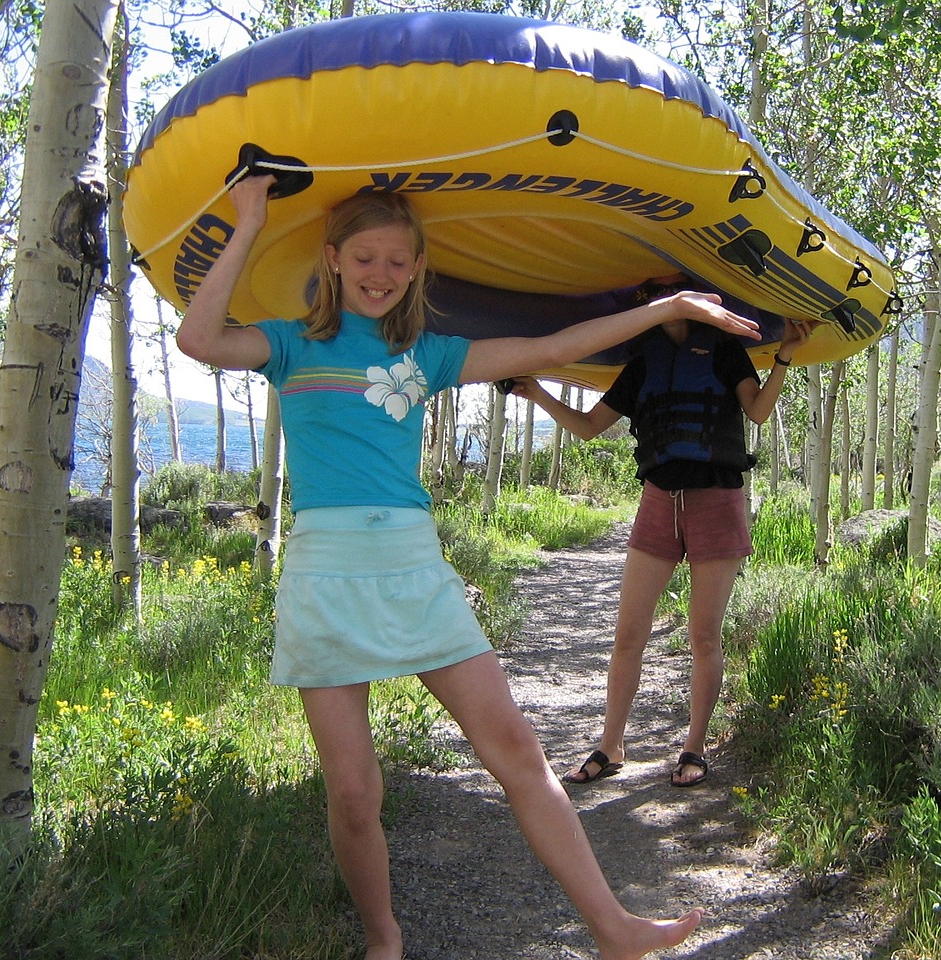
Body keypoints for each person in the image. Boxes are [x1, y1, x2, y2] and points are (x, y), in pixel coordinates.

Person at [176, 173, 763, 960]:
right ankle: (385, 942)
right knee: (354, 794)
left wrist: (669, 309)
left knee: (518, 752)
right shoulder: (289, 345)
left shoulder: (428, 356)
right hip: (324, 574)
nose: (380, 275)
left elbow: (555, 349)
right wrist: (248, 218)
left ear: (417, 269)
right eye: (365, 258)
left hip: (414, 568)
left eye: (397, 261)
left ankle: (613, 928)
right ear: (334, 260)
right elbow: (199, 340)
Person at [510, 279, 815, 789]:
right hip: (658, 501)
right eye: (653, 294)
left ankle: (694, 746)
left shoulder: (724, 350)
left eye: (676, 289)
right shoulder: (644, 362)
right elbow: (588, 427)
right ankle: (611, 745)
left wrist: (783, 354)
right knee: (628, 634)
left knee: (703, 636)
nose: (663, 300)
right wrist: (536, 390)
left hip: (716, 499)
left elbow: (757, 411)